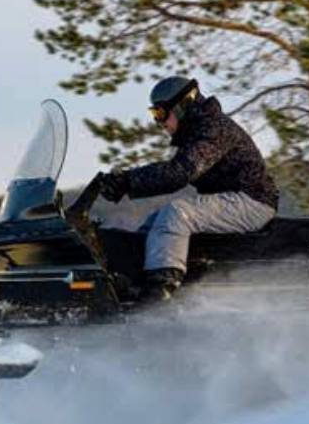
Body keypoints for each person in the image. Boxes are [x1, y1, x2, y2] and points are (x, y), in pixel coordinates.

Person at [100, 77, 279, 301]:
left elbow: (181, 172)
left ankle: (160, 292)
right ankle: (128, 282)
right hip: (236, 200)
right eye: (154, 115)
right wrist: (121, 182)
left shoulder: (214, 129)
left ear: (183, 105)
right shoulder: (198, 131)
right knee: (155, 222)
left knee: (176, 214)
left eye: (161, 114)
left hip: (253, 201)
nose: (159, 122)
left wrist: (128, 181)